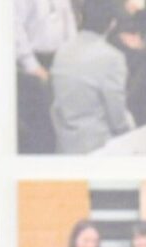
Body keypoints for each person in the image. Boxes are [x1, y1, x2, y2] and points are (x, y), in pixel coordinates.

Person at [49, 0, 133, 153]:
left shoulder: (61, 51)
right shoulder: (112, 58)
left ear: (80, 17)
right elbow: (118, 121)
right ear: (112, 23)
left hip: (64, 146)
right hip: (99, 149)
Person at [14, 0, 74, 153]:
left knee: (61, 124)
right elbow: (15, 28)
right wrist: (32, 65)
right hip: (34, 64)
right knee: (41, 127)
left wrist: (72, 56)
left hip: (61, 60)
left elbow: (68, 19)